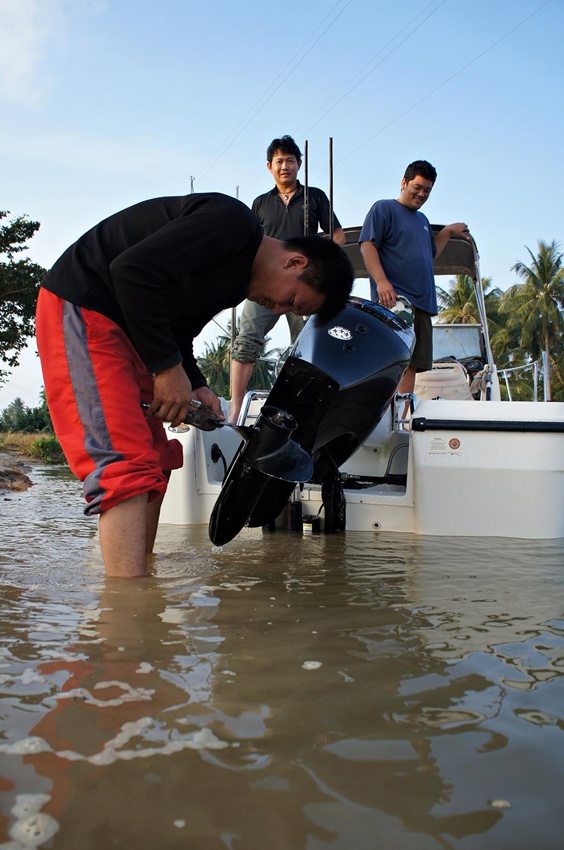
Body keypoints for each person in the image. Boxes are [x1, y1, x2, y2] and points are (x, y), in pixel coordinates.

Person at [35, 192, 354, 579]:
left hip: (132, 329)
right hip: (87, 306)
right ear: (295, 262)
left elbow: (179, 327)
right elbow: (132, 270)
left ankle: (143, 578)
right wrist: (168, 370)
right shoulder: (231, 223)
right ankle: (128, 611)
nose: (278, 309)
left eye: (290, 310)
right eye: (292, 301)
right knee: (124, 464)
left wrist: (197, 383)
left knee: (156, 458)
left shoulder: (236, 284)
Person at [229, 135, 346, 423]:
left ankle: (303, 411)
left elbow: (338, 235)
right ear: (269, 166)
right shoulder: (259, 203)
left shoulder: (315, 196)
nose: (285, 167)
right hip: (266, 284)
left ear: (300, 164)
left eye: (290, 161)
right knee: (246, 341)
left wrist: (323, 266)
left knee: (307, 347)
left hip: (302, 286)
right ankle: (234, 410)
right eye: (279, 161)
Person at [359, 160, 470, 401]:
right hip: (396, 302)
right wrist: (381, 281)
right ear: (404, 183)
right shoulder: (383, 209)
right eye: (417, 187)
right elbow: (367, 245)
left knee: (411, 363)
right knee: (391, 359)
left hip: (422, 305)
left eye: (427, 190)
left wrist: (448, 232)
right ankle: (381, 413)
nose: (421, 194)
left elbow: (429, 254)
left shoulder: (422, 221)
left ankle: (401, 414)